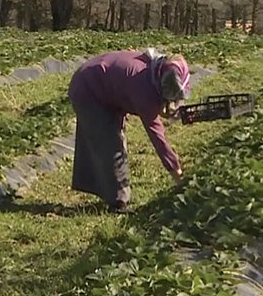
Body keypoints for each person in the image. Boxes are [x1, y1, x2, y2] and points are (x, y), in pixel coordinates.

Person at [67, 48, 191, 213]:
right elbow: (158, 138)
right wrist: (177, 173)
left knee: (110, 138)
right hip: (88, 90)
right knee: (111, 144)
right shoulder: (143, 88)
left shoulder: (153, 68)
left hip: (100, 83)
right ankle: (118, 203)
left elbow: (154, 99)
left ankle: (105, 189)